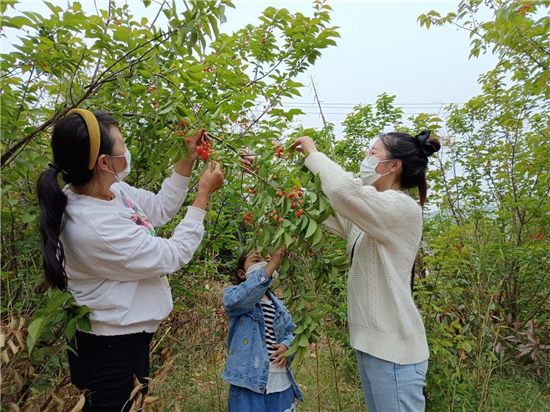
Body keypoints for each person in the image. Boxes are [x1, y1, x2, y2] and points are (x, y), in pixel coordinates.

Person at [36, 109, 224, 411]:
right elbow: (172, 254)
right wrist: (202, 196)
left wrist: (187, 159)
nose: (127, 151)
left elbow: (161, 208)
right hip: (110, 351)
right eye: (122, 144)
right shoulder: (92, 225)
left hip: (126, 341)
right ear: (103, 162)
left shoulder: (113, 190)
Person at [293, 131, 440, 412]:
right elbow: (320, 210)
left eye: (372, 154)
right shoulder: (371, 215)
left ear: (394, 165)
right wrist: (268, 175)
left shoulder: (401, 209)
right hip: (374, 348)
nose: (366, 160)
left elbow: (342, 191)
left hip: (394, 352)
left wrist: (313, 152)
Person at [222, 246, 303, 412]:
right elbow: (242, 299)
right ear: (242, 274)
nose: (265, 264)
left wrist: (287, 346)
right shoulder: (234, 296)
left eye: (267, 260)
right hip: (248, 383)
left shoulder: (278, 304)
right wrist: (270, 266)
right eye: (256, 260)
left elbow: (293, 332)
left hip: (281, 383)